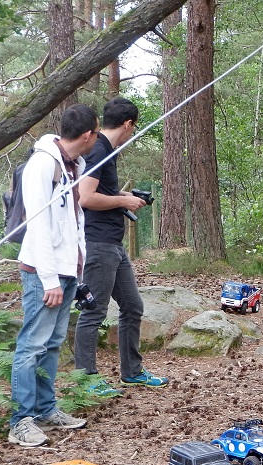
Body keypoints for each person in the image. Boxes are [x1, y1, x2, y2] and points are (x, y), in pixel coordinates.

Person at [7, 105, 101, 447]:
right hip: (42, 272)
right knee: (31, 344)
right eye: (96, 132)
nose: (97, 138)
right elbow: (38, 225)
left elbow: (73, 222)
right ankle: (21, 420)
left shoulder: (75, 165)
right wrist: (49, 280)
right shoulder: (42, 164)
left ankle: (46, 409)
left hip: (67, 270)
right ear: (87, 134)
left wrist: (75, 272)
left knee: (52, 343)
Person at [74, 97, 168, 395]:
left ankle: (132, 372)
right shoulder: (98, 149)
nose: (132, 132)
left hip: (113, 243)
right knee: (94, 311)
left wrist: (123, 196)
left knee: (132, 306)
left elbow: (99, 191)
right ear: (128, 124)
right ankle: (86, 380)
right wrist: (122, 201)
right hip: (98, 242)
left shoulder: (107, 150)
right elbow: (85, 197)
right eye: (134, 127)